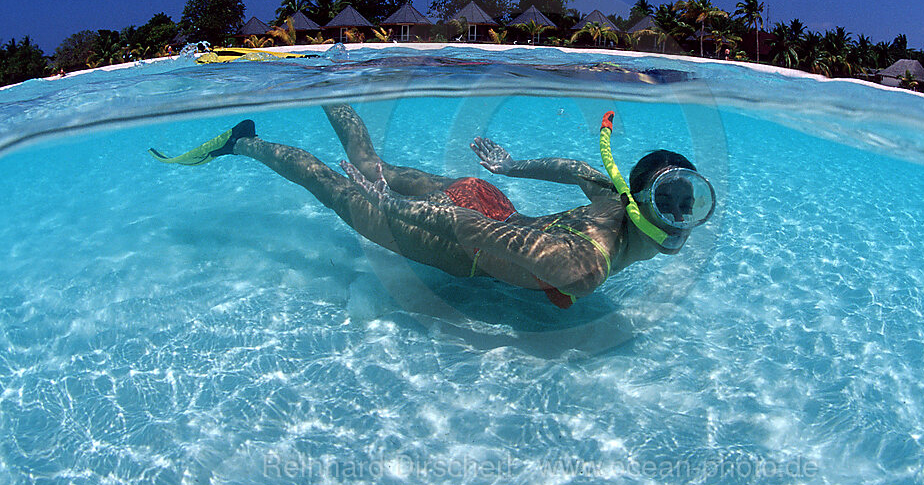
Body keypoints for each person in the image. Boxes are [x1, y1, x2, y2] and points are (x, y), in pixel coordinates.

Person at [149, 105, 716, 308]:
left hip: (487, 199)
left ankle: (324, 83)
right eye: (673, 204)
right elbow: (475, 235)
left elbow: (580, 172)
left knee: (373, 167)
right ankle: (241, 143)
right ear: (640, 201)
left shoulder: (610, 200)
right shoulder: (584, 267)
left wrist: (507, 168)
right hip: (458, 237)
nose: (681, 222)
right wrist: (391, 211)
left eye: (688, 204)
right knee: (332, 183)